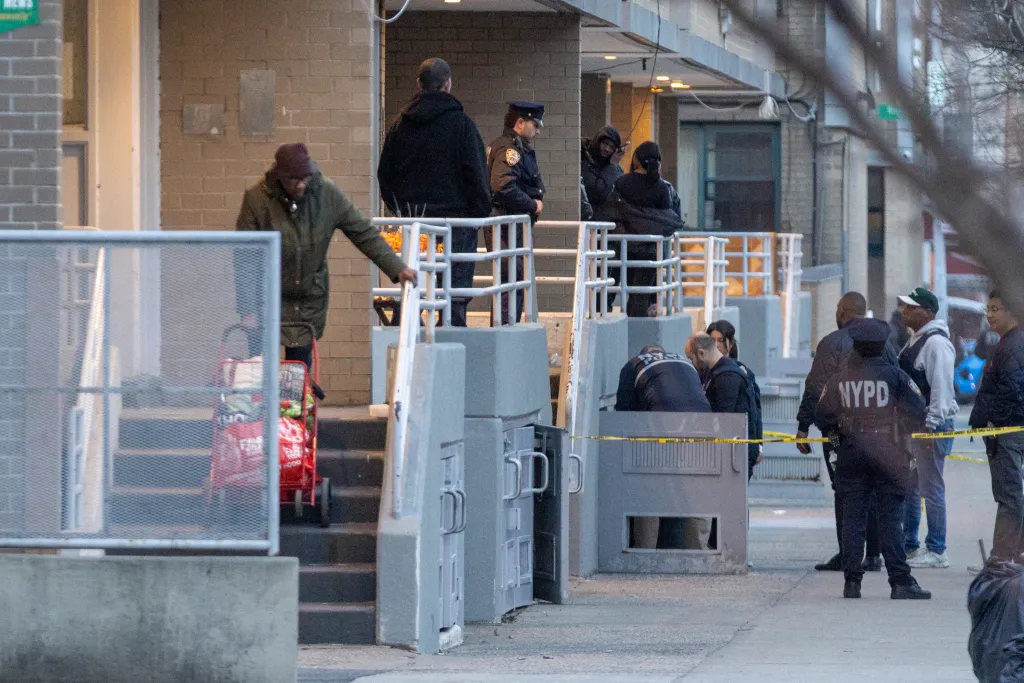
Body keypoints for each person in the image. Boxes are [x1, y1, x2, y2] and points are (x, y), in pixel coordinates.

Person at [235, 143, 417, 368]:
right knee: (259, 371)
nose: (301, 185)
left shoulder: (326, 194)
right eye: (294, 180)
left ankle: (294, 403)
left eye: (305, 178)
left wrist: (397, 267)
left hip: (308, 295)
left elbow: (363, 232)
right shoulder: (257, 200)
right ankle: (265, 403)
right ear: (280, 176)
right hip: (265, 298)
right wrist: (248, 309)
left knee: (297, 373)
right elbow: (244, 259)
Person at [815, 317, 931, 599]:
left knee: (853, 517)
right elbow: (918, 412)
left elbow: (822, 417)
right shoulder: (895, 377)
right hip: (888, 451)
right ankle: (900, 582)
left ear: (856, 345)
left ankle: (852, 583)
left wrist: (838, 442)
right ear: (882, 346)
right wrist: (904, 440)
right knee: (891, 517)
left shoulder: (840, 380)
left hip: (852, 452)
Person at [376, 58, 490, 327]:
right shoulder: (462, 126)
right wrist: (477, 215)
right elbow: (477, 176)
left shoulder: (400, 126)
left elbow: (385, 175)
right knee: (455, 291)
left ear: (419, 84)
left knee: (412, 280)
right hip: (456, 223)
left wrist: (401, 211)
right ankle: (452, 322)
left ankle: (405, 321)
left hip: (414, 223)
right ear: (448, 84)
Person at [795, 292, 896, 572]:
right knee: (875, 491)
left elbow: (816, 387)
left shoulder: (831, 343)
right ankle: (874, 555)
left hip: (839, 433)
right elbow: (896, 382)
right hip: (879, 432)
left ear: (842, 311)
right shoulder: (883, 342)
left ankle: (848, 555)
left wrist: (803, 426)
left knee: (845, 491)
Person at [616, 344, 711, 550]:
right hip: (702, 424)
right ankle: (698, 553)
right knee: (698, 490)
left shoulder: (633, 365)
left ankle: (645, 551)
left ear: (643, 354)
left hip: (660, 425)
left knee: (650, 492)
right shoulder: (685, 363)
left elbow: (624, 414)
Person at [895, 287, 958, 569]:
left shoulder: (935, 344)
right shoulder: (916, 340)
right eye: (905, 306)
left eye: (911, 307)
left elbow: (941, 390)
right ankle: (910, 545)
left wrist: (933, 425)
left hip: (930, 427)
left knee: (931, 488)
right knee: (912, 487)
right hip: (915, 428)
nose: (904, 311)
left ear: (928, 312)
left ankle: (937, 548)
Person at [969, 291, 1024, 568]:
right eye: (987, 309)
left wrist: (994, 423)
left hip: (1008, 432)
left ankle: (1004, 556)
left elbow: (1011, 392)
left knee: (1008, 495)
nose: (989, 315)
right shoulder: (1008, 344)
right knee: (1010, 494)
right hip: (1009, 430)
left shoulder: (1012, 346)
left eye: (995, 309)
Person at [607, 142, 683, 318]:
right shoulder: (662, 188)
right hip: (650, 248)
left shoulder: (622, 183)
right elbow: (667, 218)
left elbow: (612, 211)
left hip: (625, 245)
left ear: (637, 160)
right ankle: (638, 322)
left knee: (618, 282)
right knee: (640, 292)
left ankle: (606, 311)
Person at [487, 101, 546, 325]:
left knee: (513, 279)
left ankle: (504, 328)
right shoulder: (509, 150)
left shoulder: (515, 147)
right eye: (535, 124)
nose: (538, 130)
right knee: (510, 279)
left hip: (510, 224)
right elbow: (503, 185)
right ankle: (503, 330)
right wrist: (532, 205)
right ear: (520, 123)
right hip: (505, 224)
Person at [686, 333, 761, 479]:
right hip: (733, 452)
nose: (692, 363)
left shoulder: (726, 376)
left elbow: (723, 419)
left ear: (701, 353)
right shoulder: (719, 372)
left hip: (734, 455)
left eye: (691, 358)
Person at [706, 320, 764, 470]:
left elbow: (755, 409)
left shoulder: (740, 371)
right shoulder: (705, 372)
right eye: (712, 341)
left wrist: (759, 445)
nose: (716, 345)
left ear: (730, 344)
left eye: (720, 340)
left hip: (738, 448)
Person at [615, 344, 712, 413]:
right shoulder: (684, 361)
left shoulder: (634, 362)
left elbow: (624, 411)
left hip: (663, 415)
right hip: (703, 411)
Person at [581, 125, 626, 221]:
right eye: (605, 143)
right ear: (598, 140)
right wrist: (612, 167)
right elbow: (597, 193)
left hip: (606, 225)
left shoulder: (614, 165)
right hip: (590, 222)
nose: (607, 149)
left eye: (612, 147)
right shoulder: (584, 158)